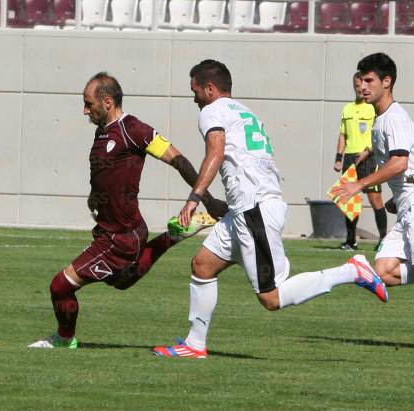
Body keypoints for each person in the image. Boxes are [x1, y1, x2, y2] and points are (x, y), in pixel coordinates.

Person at [152, 59, 388, 359]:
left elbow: (216, 150)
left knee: (271, 297)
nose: (194, 98)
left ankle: (351, 271)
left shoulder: (212, 111)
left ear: (209, 89)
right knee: (203, 265)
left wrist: (194, 198)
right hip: (247, 209)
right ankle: (194, 344)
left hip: (254, 210)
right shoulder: (243, 110)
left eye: (195, 90)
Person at [28, 72, 229, 349]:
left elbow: (179, 161)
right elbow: (104, 174)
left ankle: (64, 339)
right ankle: (173, 235)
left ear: (107, 101)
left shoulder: (134, 130)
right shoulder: (103, 132)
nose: (85, 110)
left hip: (121, 236)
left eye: (89, 103)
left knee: (60, 286)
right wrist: (94, 197)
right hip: (109, 231)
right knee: (121, 281)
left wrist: (207, 199)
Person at [332, 53, 414, 290]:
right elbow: (408, 169)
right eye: (361, 81)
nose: (363, 87)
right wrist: (398, 197)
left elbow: (399, 162)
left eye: (369, 81)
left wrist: (358, 184)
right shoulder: (380, 119)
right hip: (406, 206)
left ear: (386, 82)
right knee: (384, 271)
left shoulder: (394, 118)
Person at [334, 72, 386, 251]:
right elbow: (343, 135)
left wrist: (366, 152)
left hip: (369, 158)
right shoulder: (347, 108)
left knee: (375, 199)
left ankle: (384, 239)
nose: (360, 88)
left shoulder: (373, 108)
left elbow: (378, 136)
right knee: (349, 200)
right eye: (357, 85)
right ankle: (351, 241)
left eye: (363, 84)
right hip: (349, 158)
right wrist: (339, 158)